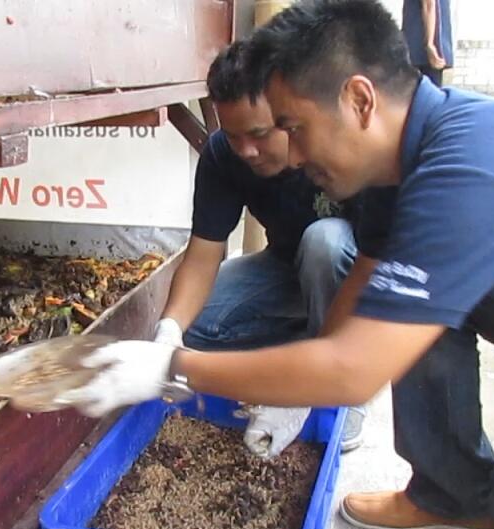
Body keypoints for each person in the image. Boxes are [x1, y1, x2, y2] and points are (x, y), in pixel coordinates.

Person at [57, 1, 494, 529]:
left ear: (360, 100)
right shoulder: (407, 167)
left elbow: (353, 370)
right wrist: (296, 383)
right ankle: (448, 497)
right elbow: (364, 313)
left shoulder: (473, 169)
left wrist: (173, 365)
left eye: (294, 127)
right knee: (423, 310)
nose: (291, 152)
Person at [154, 41, 367, 458]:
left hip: (355, 280)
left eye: (259, 134)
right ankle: (306, 343)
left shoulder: (340, 150)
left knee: (324, 242)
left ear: (291, 114)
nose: (246, 151)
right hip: (286, 268)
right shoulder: (223, 156)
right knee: (201, 326)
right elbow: (203, 253)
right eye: (233, 136)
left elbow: (380, 266)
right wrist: (170, 330)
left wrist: (309, 386)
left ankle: (343, 390)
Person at [402, 0, 452, 86]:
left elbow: (429, 5)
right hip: (426, 46)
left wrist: (430, 44)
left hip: (422, 47)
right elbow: (429, 5)